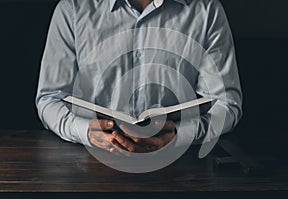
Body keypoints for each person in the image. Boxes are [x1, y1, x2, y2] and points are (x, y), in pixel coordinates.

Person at [36, 0, 242, 155]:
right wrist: (85, 132)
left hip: (182, 165)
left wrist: (179, 135)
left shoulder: (206, 10)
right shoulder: (72, 8)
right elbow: (50, 98)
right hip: (89, 162)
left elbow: (226, 105)